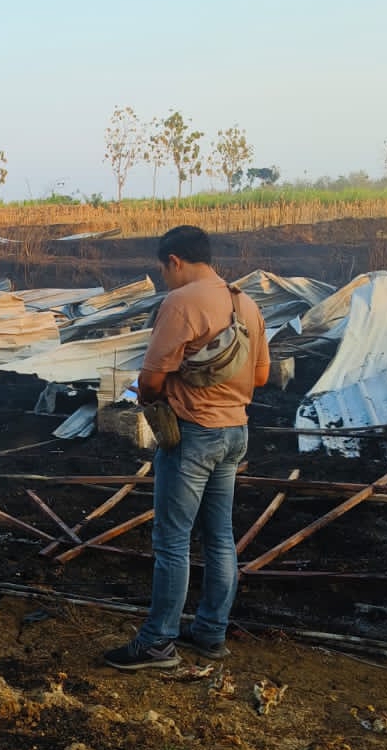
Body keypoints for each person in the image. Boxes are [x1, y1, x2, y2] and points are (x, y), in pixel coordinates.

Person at [104, 225, 270, 670]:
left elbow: (152, 380)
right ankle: (211, 632)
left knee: (172, 541)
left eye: (163, 271)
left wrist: (157, 399)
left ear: (174, 261)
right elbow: (260, 378)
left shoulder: (181, 303)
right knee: (220, 536)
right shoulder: (246, 303)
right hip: (237, 432)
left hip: (193, 435)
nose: (164, 280)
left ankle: (158, 642)